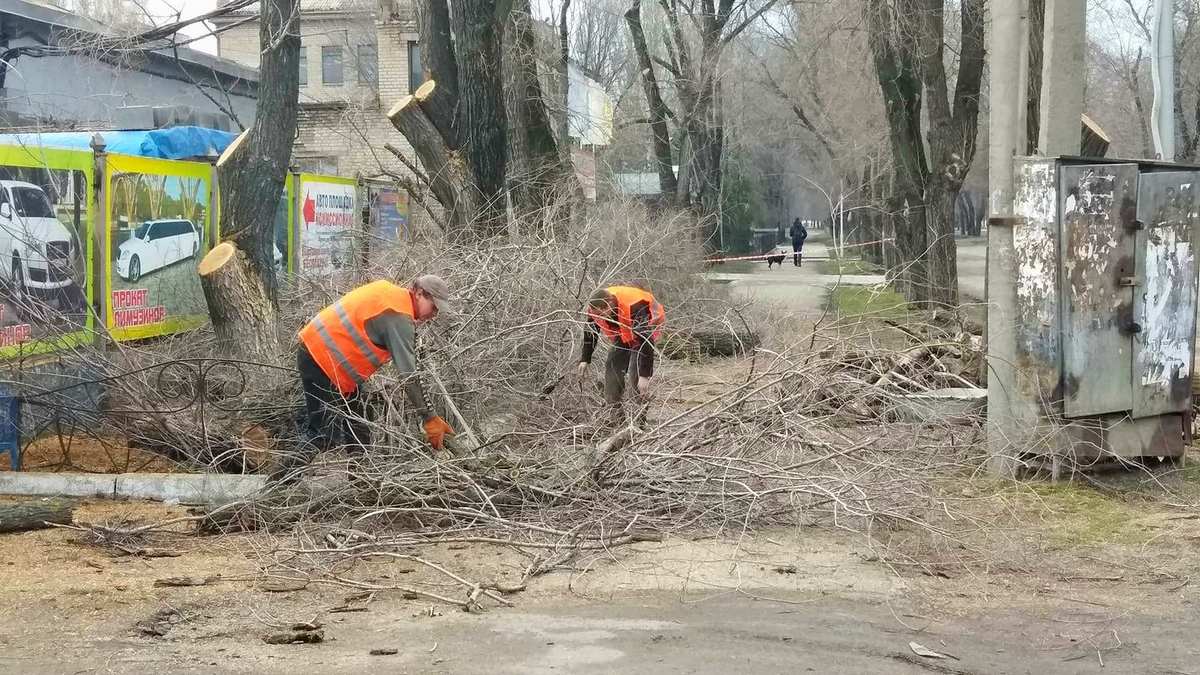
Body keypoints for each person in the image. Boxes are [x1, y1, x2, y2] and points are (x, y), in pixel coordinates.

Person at [269, 275, 457, 484]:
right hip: (322, 361)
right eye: (434, 307)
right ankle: (276, 485)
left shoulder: (390, 294)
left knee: (359, 427)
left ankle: (361, 486)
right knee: (323, 434)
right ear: (420, 293)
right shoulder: (397, 315)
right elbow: (409, 376)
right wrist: (429, 418)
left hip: (329, 362)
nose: (434, 315)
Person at [577, 285, 665, 422]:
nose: (599, 318)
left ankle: (638, 421)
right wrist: (585, 359)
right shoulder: (595, 308)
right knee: (612, 366)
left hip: (646, 329)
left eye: (601, 315)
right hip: (623, 331)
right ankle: (616, 418)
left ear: (609, 305)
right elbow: (590, 332)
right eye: (597, 315)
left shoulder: (635, 306)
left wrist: (644, 376)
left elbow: (645, 341)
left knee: (636, 376)